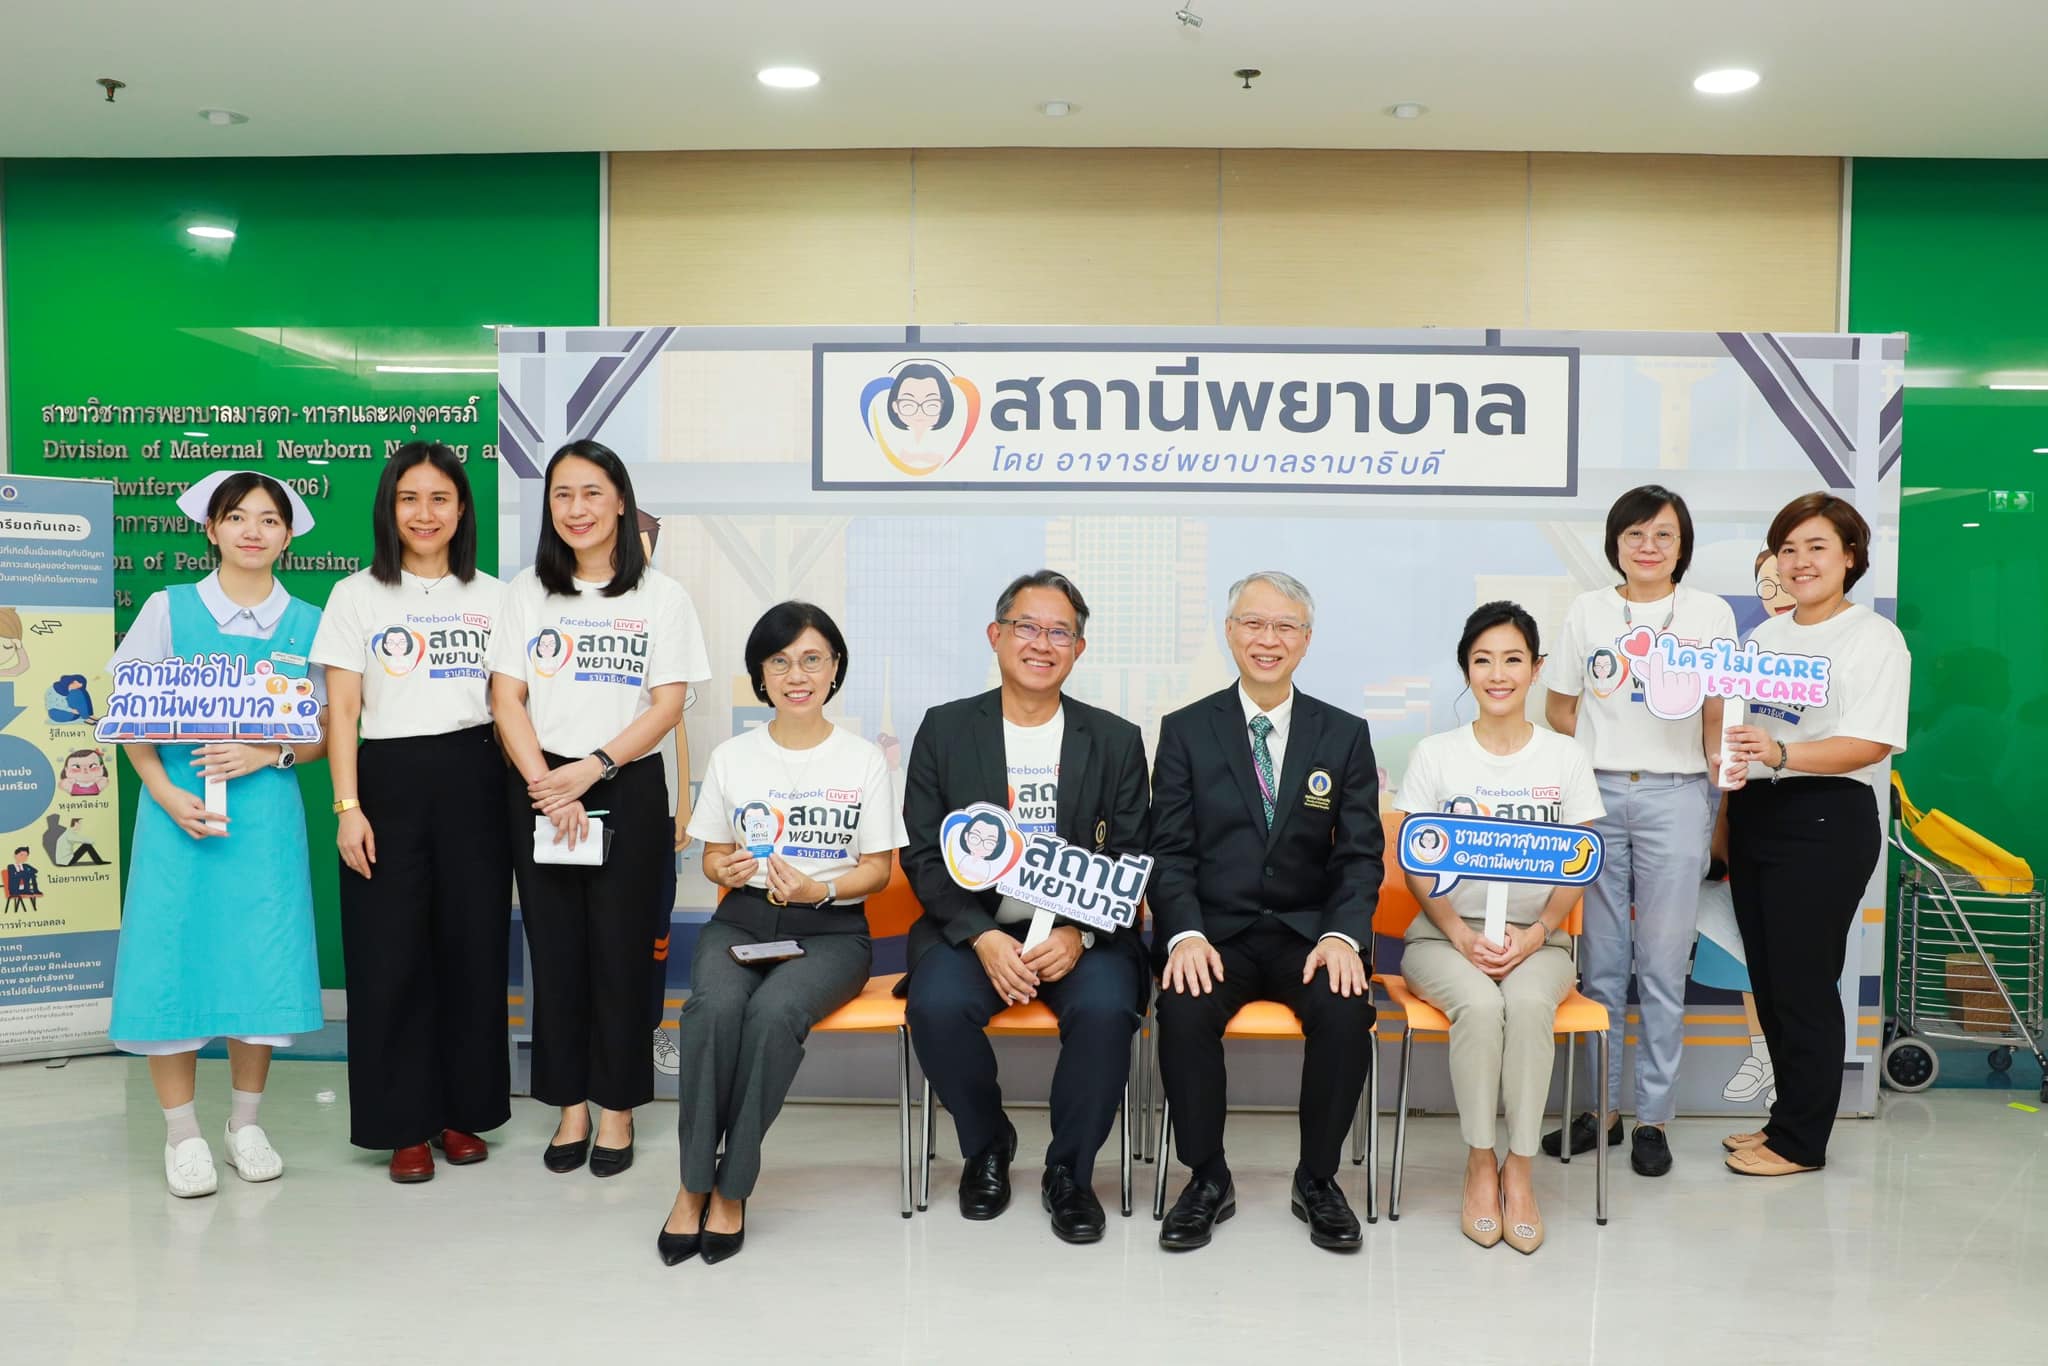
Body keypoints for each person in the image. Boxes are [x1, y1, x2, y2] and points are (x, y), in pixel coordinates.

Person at [902, 570, 1150, 1245]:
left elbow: (1129, 855)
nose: (1042, 643)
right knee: (935, 1006)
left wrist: (1078, 932)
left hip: (1081, 936)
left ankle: (1069, 1172)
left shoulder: (1117, 740)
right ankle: (987, 1145)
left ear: (1079, 648)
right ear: (997, 635)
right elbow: (924, 854)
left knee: (1105, 1011)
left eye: (1060, 632)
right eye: (1027, 627)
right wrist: (981, 937)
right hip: (974, 931)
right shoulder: (947, 729)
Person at [657, 602, 905, 1266]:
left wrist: (819, 887)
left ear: (834, 670)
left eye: (812, 659)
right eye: (780, 660)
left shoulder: (862, 761)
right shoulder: (733, 755)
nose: (797, 674)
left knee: (773, 1014)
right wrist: (727, 865)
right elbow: (709, 858)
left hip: (831, 933)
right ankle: (690, 1185)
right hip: (740, 920)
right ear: (760, 676)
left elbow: (879, 871)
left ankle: (730, 1187)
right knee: (710, 1010)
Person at [489, 440, 710, 1179]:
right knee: (554, 954)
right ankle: (569, 1106)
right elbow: (505, 697)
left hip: (626, 787)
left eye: (592, 493)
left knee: (620, 956)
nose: (577, 509)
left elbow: (669, 702)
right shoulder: (527, 591)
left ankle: (615, 1108)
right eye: (562, 496)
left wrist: (592, 768)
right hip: (543, 790)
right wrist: (546, 784)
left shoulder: (661, 597)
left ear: (621, 501)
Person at [104, 469, 327, 1198]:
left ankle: (245, 1122)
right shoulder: (168, 610)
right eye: (239, 517)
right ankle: (182, 1133)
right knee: (172, 958)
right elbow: (126, 709)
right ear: (212, 528)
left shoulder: (309, 622)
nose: (254, 531)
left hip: (265, 823)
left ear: (288, 535)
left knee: (259, 963)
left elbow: (328, 731)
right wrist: (164, 792)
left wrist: (269, 752)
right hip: (179, 822)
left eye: (270, 519)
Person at [1149, 570, 1382, 1253]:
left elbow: (1361, 855)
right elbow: (1170, 851)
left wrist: (1343, 934)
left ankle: (1316, 1179)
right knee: (1184, 1008)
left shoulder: (1342, 735)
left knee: (1344, 1010)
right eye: (1253, 623)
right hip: (1216, 933)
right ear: (1229, 633)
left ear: (1306, 641)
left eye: (1284, 626)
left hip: (1310, 934)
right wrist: (1184, 933)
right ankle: (1206, 1178)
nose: (1267, 638)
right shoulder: (1187, 731)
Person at [311, 442, 513, 1184]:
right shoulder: (355, 595)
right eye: (409, 499)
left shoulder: (496, 597)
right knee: (388, 956)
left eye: (439, 499)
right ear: (388, 509)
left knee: (471, 948)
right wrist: (347, 806)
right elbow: (342, 709)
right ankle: (403, 1126)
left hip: (476, 776)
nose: (424, 514)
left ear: (462, 510)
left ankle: (460, 1113)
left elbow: (510, 702)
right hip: (386, 778)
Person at [1395, 602, 1604, 1253]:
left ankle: (1521, 1168)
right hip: (1443, 938)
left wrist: (1538, 933)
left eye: (1513, 659)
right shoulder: (1436, 754)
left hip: (1540, 939)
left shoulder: (1564, 758)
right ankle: (1480, 1163)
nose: (1498, 673)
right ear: (1466, 670)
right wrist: (1459, 933)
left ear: (1536, 669)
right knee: (1482, 1007)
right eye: (1483, 660)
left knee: (1526, 1000)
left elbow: (1579, 860)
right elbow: (1416, 862)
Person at [1543, 484, 1735, 1177]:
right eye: (1635, 535)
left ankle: (1653, 1116)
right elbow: (1561, 705)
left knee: (1659, 965)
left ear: (1682, 546)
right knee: (1599, 965)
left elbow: (1718, 707)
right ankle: (1605, 1111)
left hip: (1677, 796)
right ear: (1614, 543)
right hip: (1597, 797)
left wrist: (1714, 771)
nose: (1648, 547)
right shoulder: (1589, 611)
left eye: (1663, 535)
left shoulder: (1709, 613)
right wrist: (1598, 753)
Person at [1720, 493, 1909, 1176]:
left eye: (1817, 547)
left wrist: (1783, 756)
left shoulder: (1872, 638)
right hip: (1757, 813)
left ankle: (1802, 1143)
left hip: (1826, 816)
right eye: (1789, 548)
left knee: (1804, 982)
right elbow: (1737, 736)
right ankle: (1782, 1123)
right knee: (1770, 981)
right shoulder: (1764, 638)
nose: (1800, 562)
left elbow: (1872, 742)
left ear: (1850, 556)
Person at [1694, 547, 1801, 1105]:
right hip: (1748, 814)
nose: (1776, 591)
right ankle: (1762, 1055)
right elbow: (1723, 740)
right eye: (1765, 584)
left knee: (1798, 958)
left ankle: (1791, 1080)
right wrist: (1721, 828)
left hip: (1813, 818)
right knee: (1743, 947)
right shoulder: (1747, 654)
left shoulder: (1845, 645)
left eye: (1782, 579)